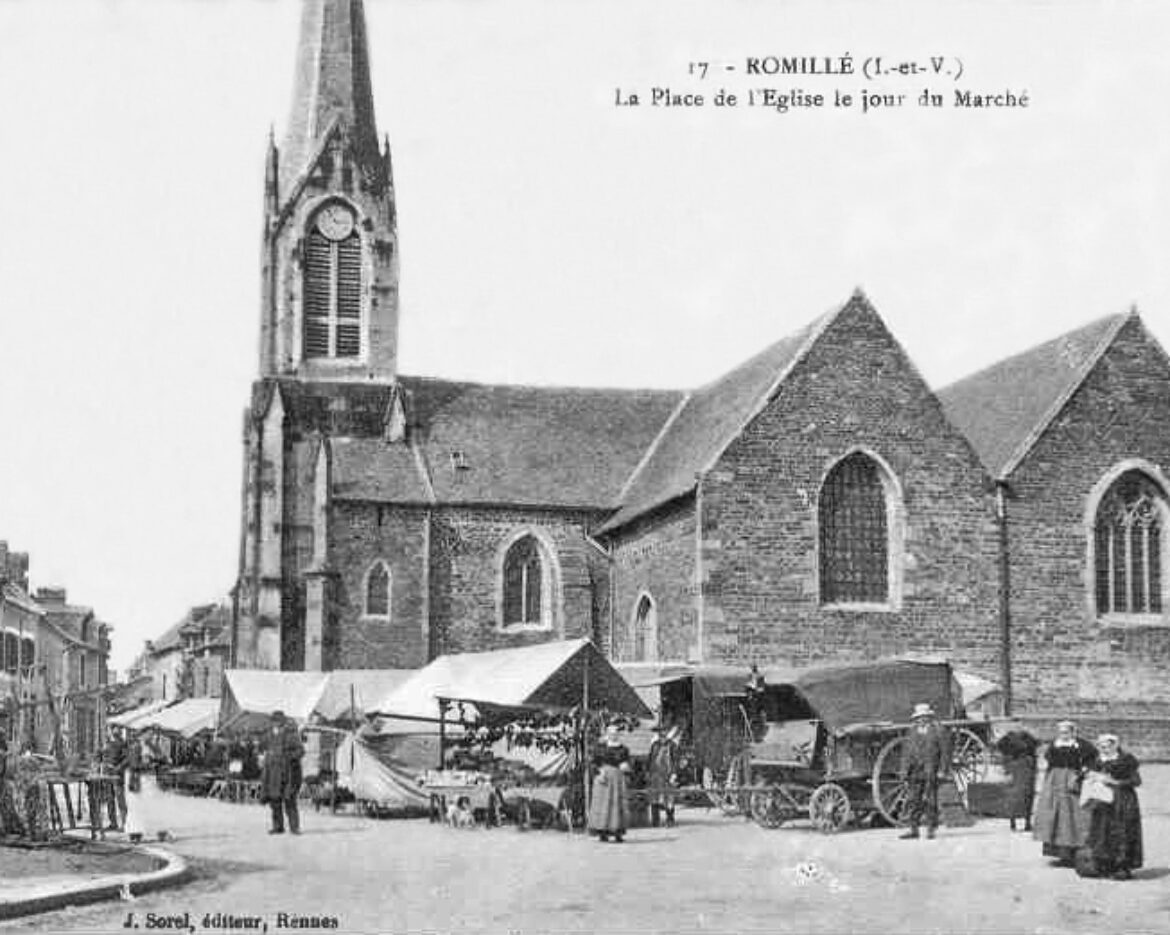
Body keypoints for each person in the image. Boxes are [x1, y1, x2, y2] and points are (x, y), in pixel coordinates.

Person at [1077, 734, 1143, 880]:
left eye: (1107, 746)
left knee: (1122, 831)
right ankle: (1103, 865)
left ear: (1115, 746)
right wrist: (1088, 776)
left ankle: (1122, 866)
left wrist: (1113, 781)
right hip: (1102, 801)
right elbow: (1083, 777)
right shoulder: (1097, 761)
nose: (1104, 749)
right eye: (1101, 747)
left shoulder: (1126, 761)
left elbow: (1136, 781)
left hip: (1122, 801)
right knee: (1101, 831)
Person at [1033, 720, 1096, 866]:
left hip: (1073, 781)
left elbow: (1093, 760)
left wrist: (1084, 771)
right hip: (1055, 781)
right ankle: (1062, 854)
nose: (1064, 735)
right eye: (1061, 732)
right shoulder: (1054, 745)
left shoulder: (1082, 745)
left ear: (1073, 732)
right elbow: (1049, 763)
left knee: (1075, 815)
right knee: (1056, 815)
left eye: (1066, 732)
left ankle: (1077, 851)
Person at [899, 702, 951, 841]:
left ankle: (930, 829)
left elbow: (945, 753)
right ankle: (913, 829)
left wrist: (942, 770)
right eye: (919, 717)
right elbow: (906, 753)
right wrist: (904, 770)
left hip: (931, 770)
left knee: (930, 800)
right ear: (916, 719)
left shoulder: (939, 731)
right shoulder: (911, 731)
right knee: (913, 800)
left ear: (929, 717)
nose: (922, 719)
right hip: (914, 771)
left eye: (924, 717)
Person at [260, 710, 305, 835]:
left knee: (289, 799)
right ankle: (278, 826)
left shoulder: (292, 734)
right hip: (273, 773)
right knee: (275, 800)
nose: (275, 724)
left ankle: (294, 827)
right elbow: (264, 749)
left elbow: (301, 751)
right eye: (273, 721)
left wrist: (289, 757)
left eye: (277, 721)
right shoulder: (269, 735)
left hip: (288, 772)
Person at [588, 724, 630, 843]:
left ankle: (618, 833)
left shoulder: (624, 749)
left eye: (615, 733)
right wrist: (599, 772)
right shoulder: (600, 747)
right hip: (603, 778)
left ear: (618, 734)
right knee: (603, 804)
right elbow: (593, 762)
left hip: (617, 778)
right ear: (607, 734)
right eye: (611, 733)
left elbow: (626, 762)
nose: (613, 735)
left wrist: (625, 766)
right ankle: (603, 832)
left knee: (617, 804)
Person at [995, 726, 1039, 832]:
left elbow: (1002, 751)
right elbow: (1035, 751)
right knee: (1027, 794)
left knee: (1014, 794)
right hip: (1026, 766)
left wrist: (1005, 766)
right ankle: (1026, 822)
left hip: (1015, 766)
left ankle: (1013, 822)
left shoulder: (1007, 739)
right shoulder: (1028, 739)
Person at [647, 725, 682, 828]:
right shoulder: (654, 745)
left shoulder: (672, 745)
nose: (662, 733)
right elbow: (650, 759)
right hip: (655, 774)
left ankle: (670, 820)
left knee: (669, 797)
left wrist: (674, 773)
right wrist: (648, 772)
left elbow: (676, 760)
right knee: (655, 797)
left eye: (664, 731)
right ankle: (655, 821)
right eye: (660, 732)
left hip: (668, 773)